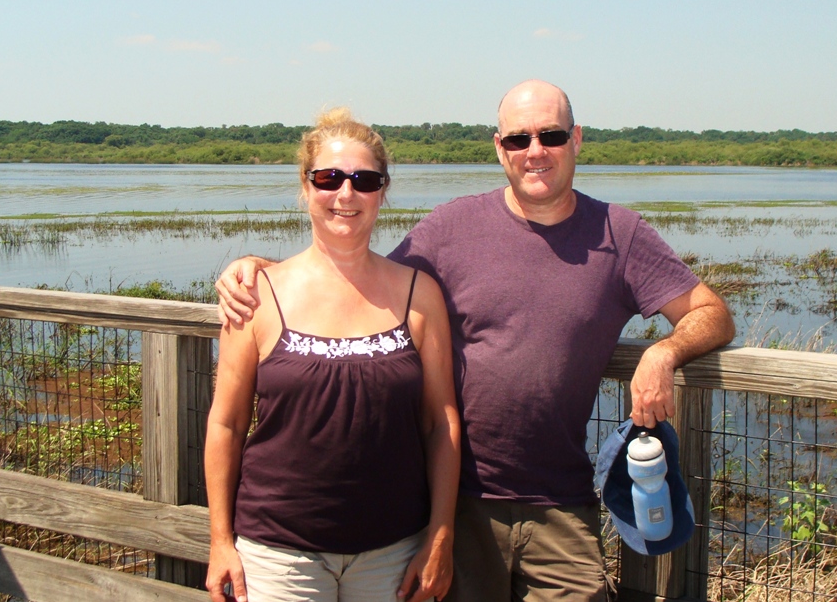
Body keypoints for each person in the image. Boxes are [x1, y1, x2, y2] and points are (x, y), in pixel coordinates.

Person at [216, 81, 736, 601]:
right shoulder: (453, 227)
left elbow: (711, 313)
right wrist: (264, 271)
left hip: (561, 501)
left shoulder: (620, 234)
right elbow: (356, 277)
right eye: (518, 139)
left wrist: (664, 352)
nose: (535, 151)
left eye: (551, 136)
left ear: (576, 139)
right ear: (499, 147)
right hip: (457, 503)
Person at [204, 108, 461, 602]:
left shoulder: (419, 294)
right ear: (306, 187)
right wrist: (220, 541)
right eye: (328, 178)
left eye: (364, 180)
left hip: (394, 551)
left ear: (383, 192)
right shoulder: (255, 295)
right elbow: (226, 425)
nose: (346, 194)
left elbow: (440, 422)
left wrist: (441, 533)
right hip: (277, 554)